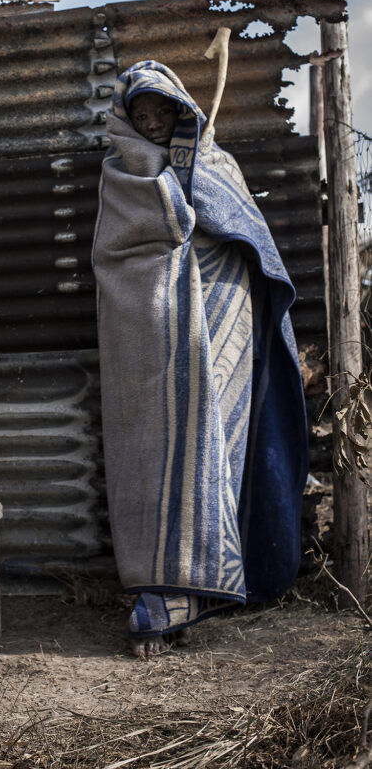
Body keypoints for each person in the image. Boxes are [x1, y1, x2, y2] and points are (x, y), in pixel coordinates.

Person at [92, 60, 308, 659]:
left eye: (165, 110)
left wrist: (193, 214)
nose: (155, 121)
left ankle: (206, 586)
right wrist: (172, 216)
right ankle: (164, 585)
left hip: (218, 326)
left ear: (184, 110)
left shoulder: (215, 164)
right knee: (157, 460)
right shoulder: (119, 174)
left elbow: (247, 238)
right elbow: (118, 259)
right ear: (127, 119)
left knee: (217, 449)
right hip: (148, 343)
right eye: (143, 113)